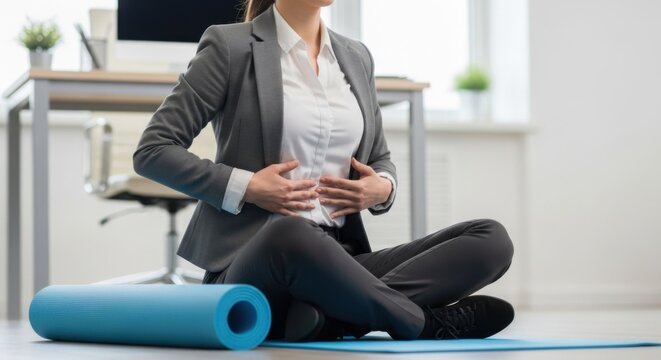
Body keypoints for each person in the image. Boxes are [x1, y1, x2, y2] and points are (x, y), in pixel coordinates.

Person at [132, 0, 515, 342]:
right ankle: (423, 325)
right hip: (257, 260)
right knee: (290, 232)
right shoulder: (230, 46)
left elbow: (380, 159)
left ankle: (334, 318)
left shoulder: (356, 57)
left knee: (490, 239)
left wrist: (382, 187)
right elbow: (153, 150)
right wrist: (248, 186)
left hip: (340, 260)